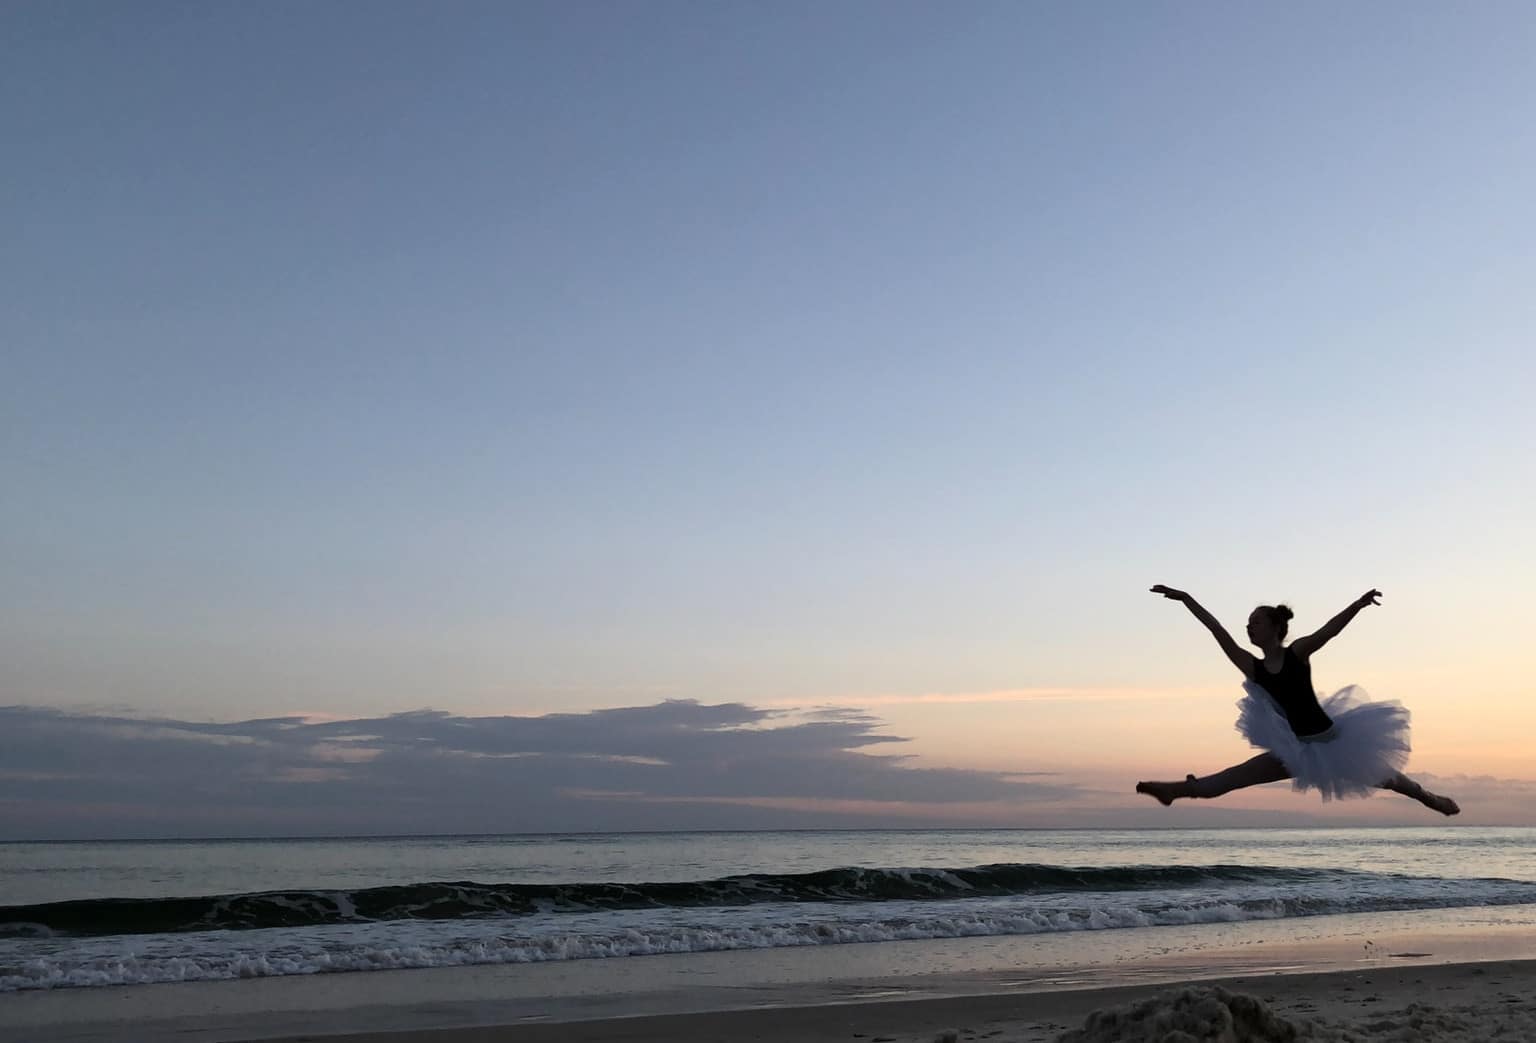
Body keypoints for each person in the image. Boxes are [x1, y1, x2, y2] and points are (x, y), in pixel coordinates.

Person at [1135, 586, 1459, 815]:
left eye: (1256, 622)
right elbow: (1216, 629)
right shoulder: (1252, 667)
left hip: (1335, 746)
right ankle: (1171, 790)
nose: (1249, 627)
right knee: (1227, 779)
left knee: (1396, 782)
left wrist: (1358, 605)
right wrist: (1187, 600)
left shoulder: (1297, 653)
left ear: (1276, 627)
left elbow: (1329, 631)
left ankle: (1431, 799)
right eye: (1247, 624)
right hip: (1294, 748)